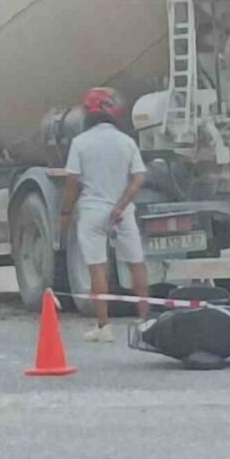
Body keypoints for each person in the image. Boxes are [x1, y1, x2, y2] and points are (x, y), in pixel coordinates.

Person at [61, 88, 151, 343]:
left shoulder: (81, 143)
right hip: (122, 212)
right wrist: (121, 205)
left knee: (97, 268)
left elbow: (72, 183)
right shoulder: (126, 142)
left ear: (88, 114)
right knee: (136, 264)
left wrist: (66, 213)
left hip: (91, 211)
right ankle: (145, 321)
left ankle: (104, 327)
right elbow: (139, 178)